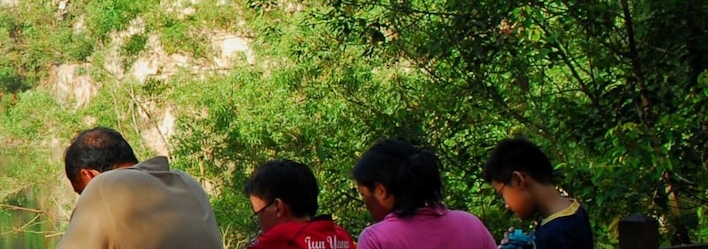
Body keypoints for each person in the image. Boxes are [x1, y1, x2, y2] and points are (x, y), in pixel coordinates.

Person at [57, 127, 224, 249]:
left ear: (89, 175)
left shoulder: (103, 186)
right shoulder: (187, 182)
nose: (83, 200)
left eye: (81, 193)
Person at [350, 139, 497, 249]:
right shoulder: (471, 225)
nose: (366, 204)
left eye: (364, 195)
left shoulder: (376, 239)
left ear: (381, 191)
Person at [480, 138, 593, 249]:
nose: (507, 205)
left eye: (502, 194)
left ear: (518, 180)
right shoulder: (573, 209)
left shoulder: (555, 233)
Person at [244, 159, 356, 249]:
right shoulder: (342, 236)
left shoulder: (281, 237)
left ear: (278, 208)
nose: (259, 223)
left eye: (258, 214)